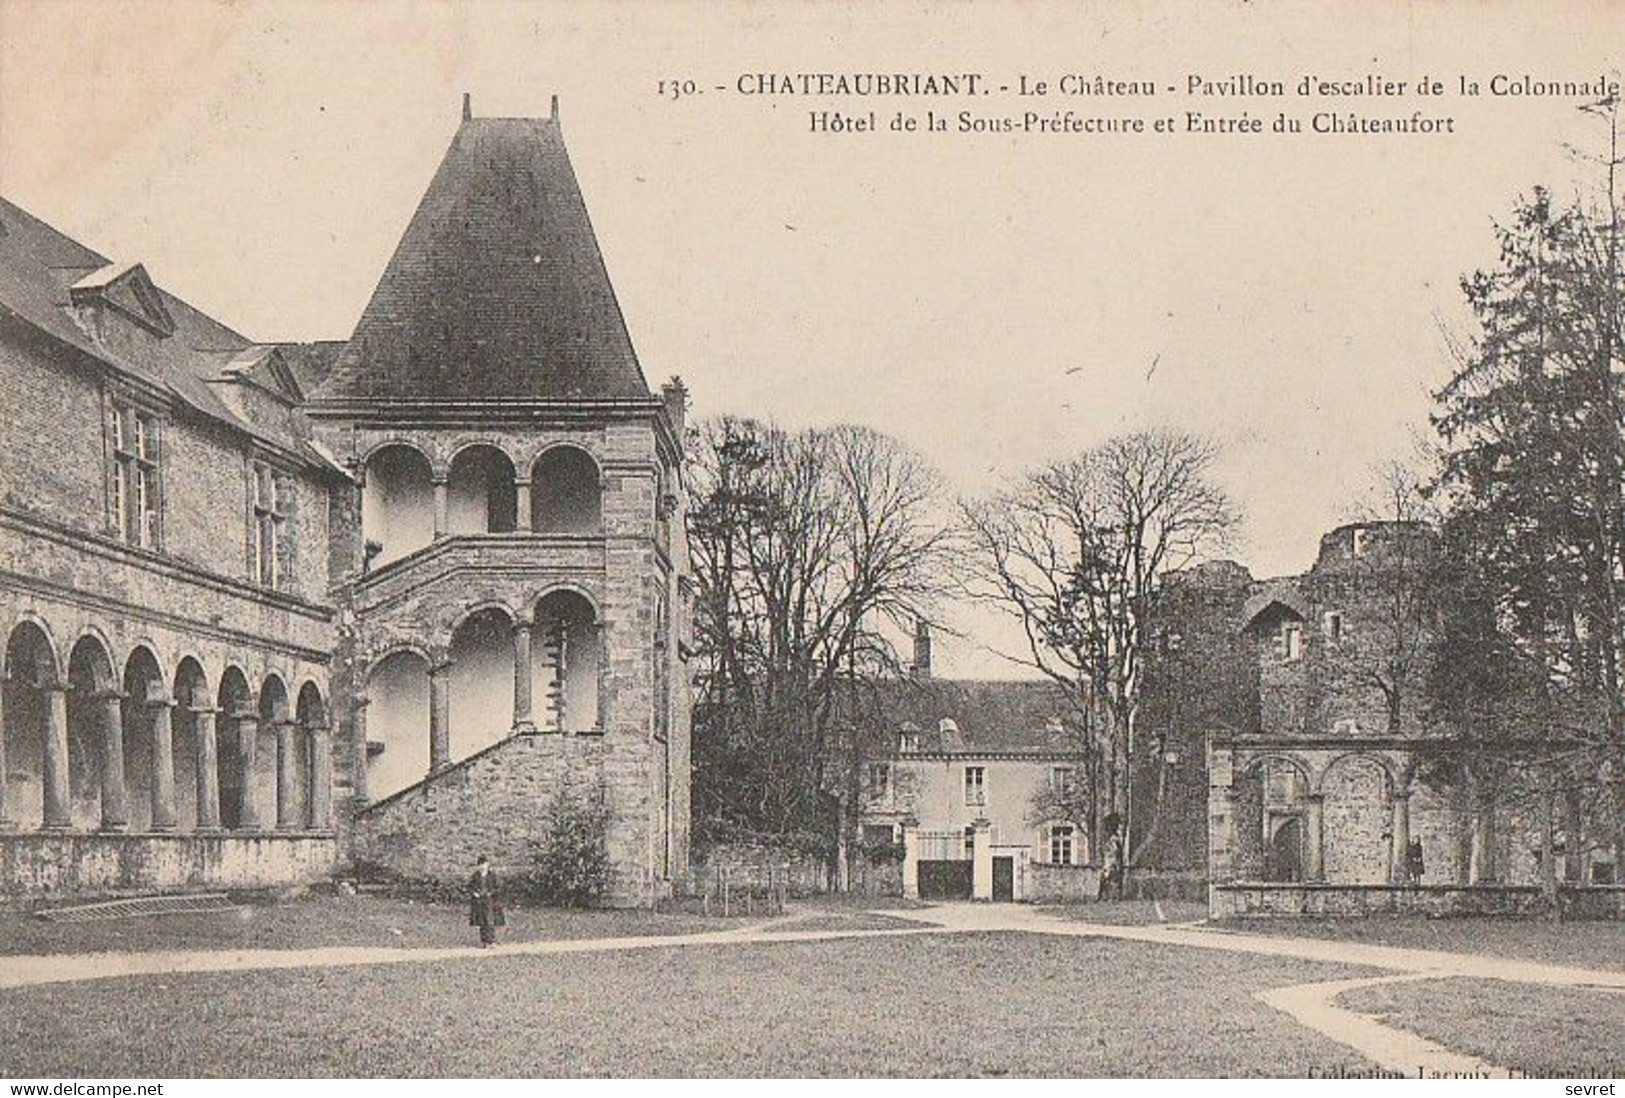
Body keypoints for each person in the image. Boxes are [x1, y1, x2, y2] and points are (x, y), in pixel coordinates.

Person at [468, 855, 505, 948]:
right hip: (479, 901)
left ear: (487, 864)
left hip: (490, 901)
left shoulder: (492, 875)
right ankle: (484, 941)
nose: (482, 866)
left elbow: (498, 887)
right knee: (481, 921)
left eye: (483, 864)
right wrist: (474, 893)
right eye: (480, 865)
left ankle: (491, 941)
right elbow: (470, 887)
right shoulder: (476, 876)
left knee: (490, 920)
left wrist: (490, 893)